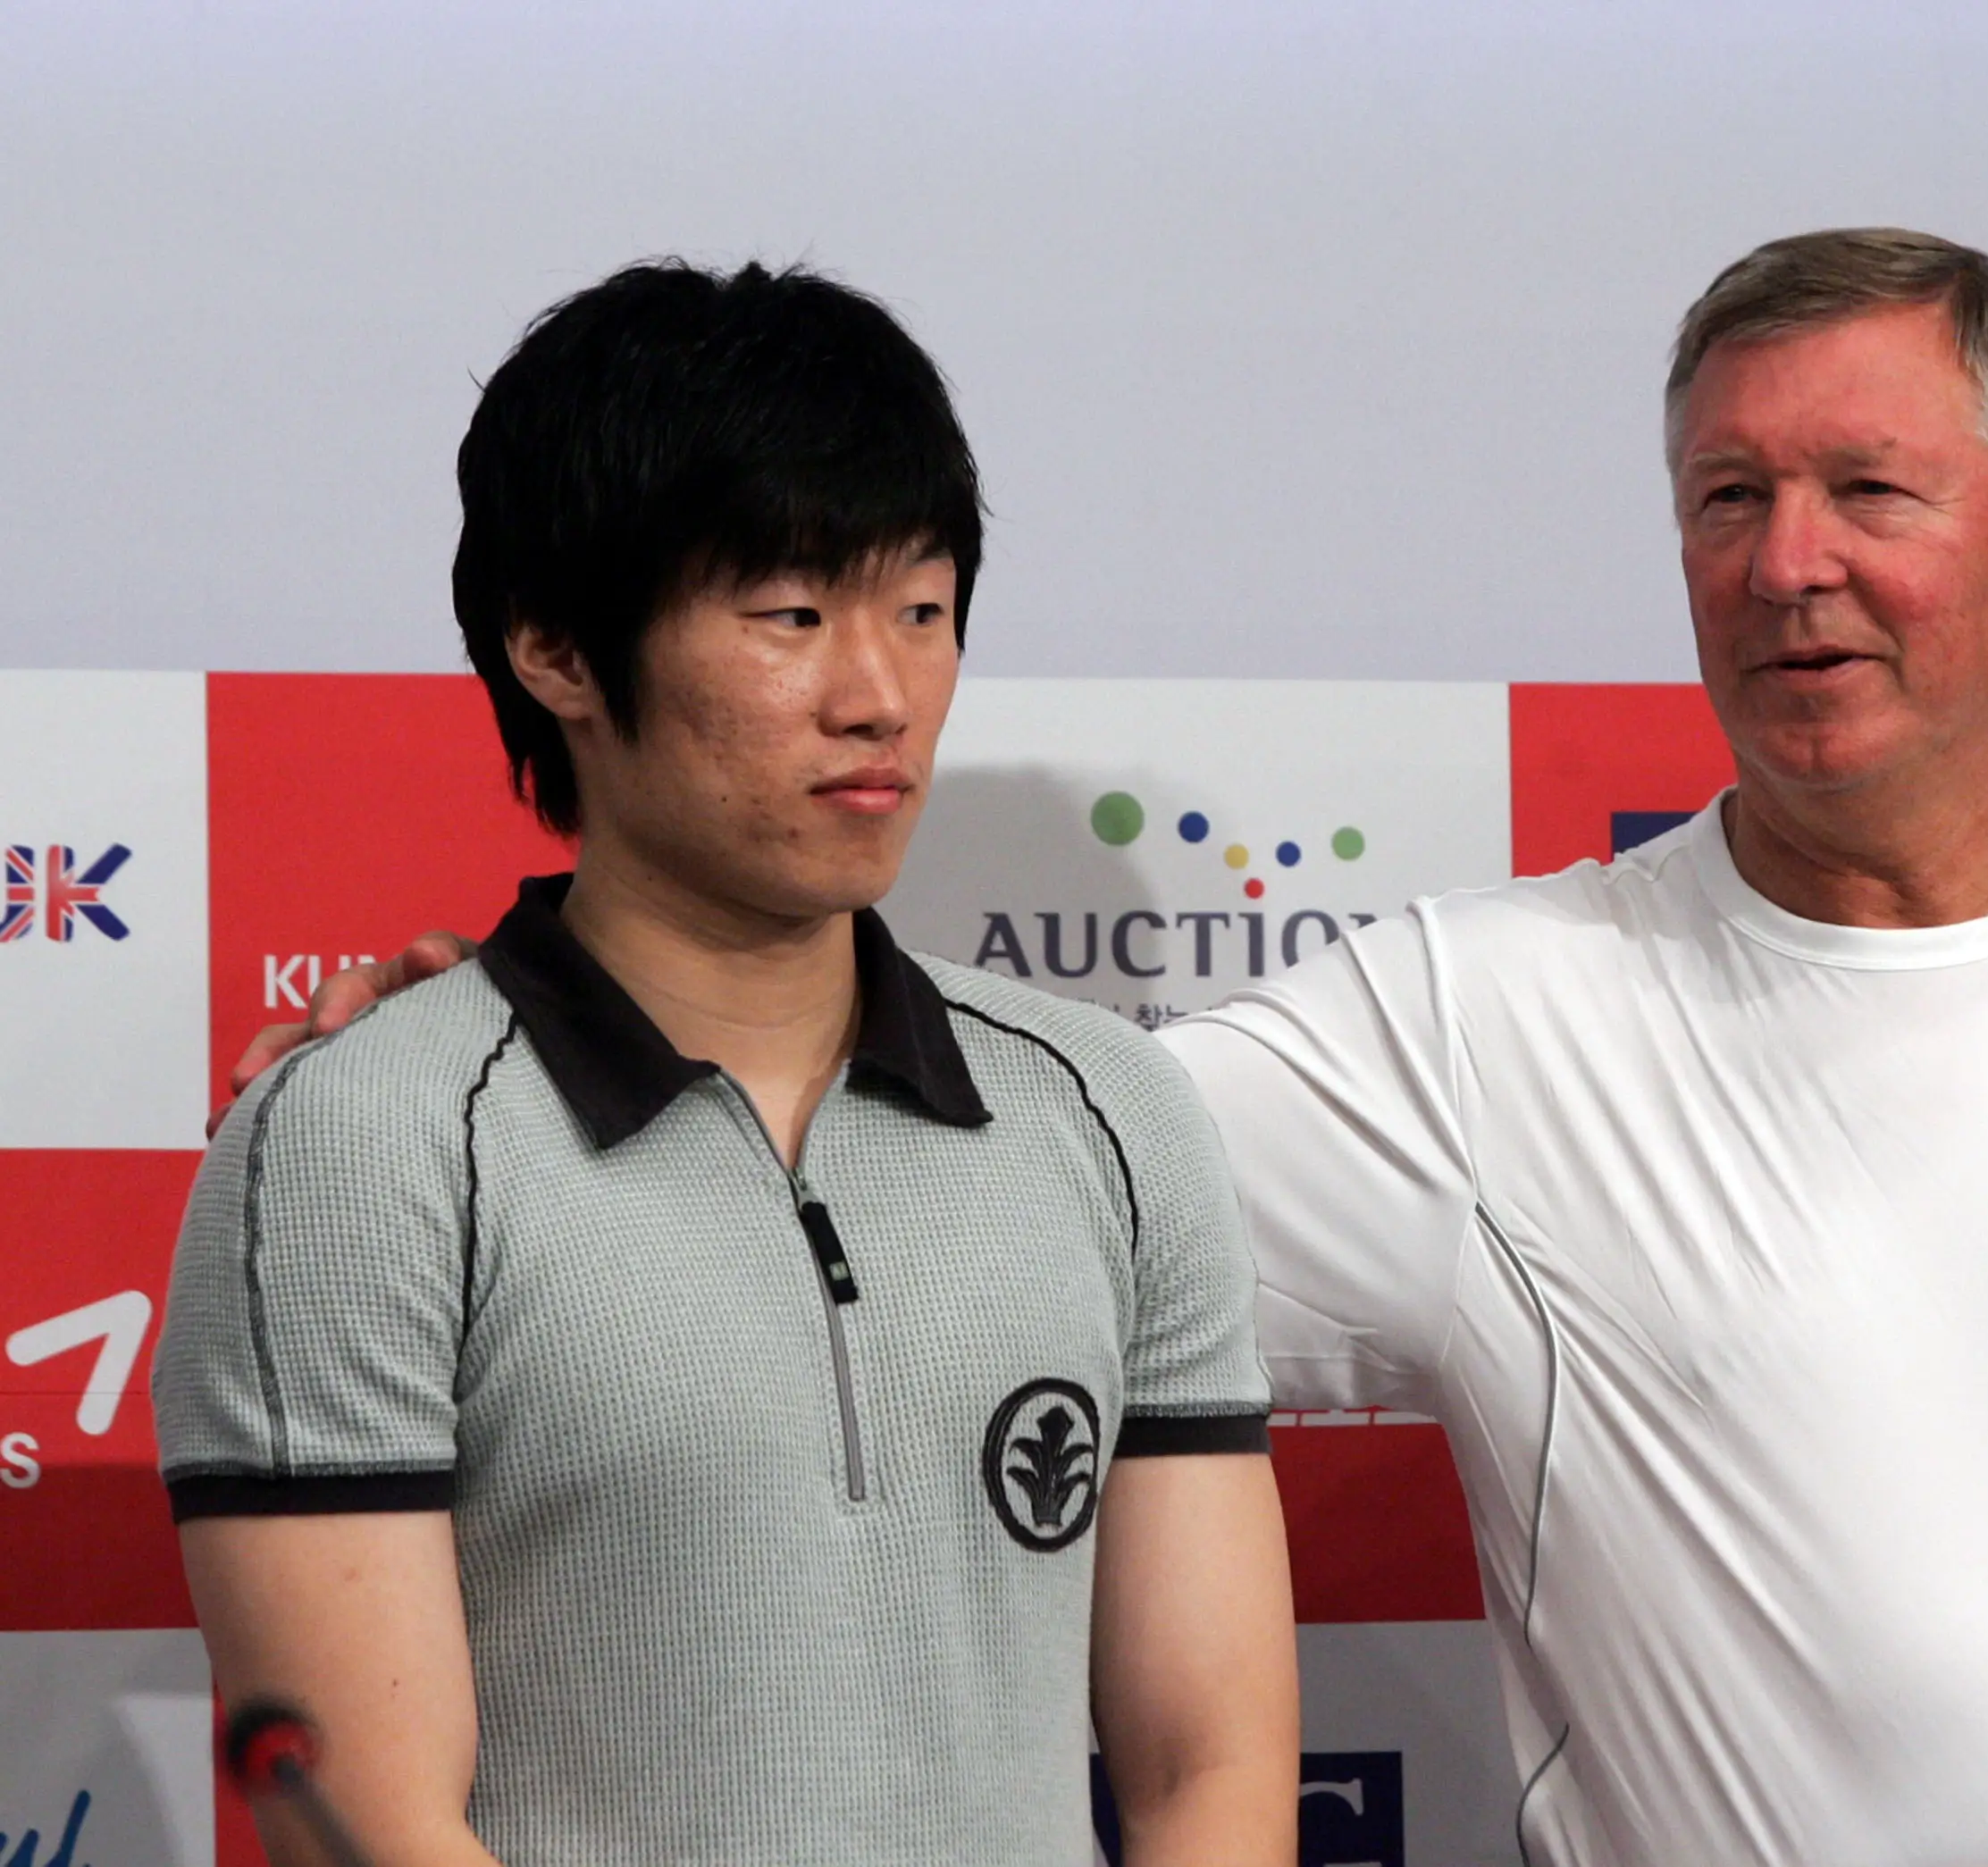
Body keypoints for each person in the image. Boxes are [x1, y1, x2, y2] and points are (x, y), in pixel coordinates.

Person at [249, 230, 1988, 1865]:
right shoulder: (1467, 1021)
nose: (1790, 563)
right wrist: (488, 1026)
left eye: (1869, 492)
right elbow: (859, 1146)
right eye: (1726, 499)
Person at [159, 260, 1297, 1866]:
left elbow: (1211, 1772)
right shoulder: (360, 1143)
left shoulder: (1109, 1114)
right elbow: (367, 1822)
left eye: (921, 609)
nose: (880, 695)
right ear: (554, 646)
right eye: (792, 616)